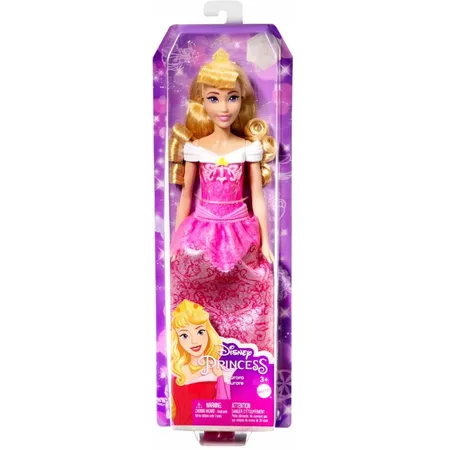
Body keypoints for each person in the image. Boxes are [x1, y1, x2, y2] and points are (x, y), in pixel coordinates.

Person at [169, 48, 275, 354]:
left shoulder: (248, 148)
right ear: (202, 102)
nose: (224, 108)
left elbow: (257, 197)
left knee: (251, 288)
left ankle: (246, 351)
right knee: (193, 293)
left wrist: (266, 243)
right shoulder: (196, 148)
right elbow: (186, 197)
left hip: (240, 229)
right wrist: (176, 242)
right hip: (201, 231)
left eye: (233, 97)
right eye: (214, 98)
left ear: (243, 100)